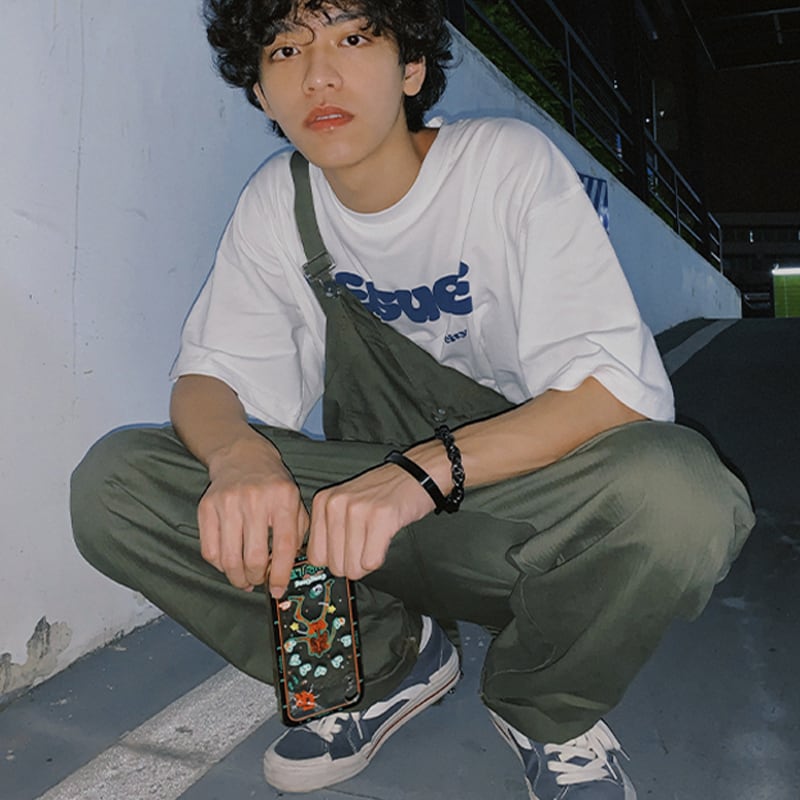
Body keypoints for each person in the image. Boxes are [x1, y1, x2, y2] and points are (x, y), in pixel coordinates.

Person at [70, 1, 755, 797]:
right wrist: (238, 457)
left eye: (353, 38)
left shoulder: (501, 166)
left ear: (412, 68)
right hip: (364, 529)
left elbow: (616, 392)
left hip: (521, 525)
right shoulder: (279, 202)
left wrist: (420, 475)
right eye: (286, 51)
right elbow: (207, 378)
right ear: (260, 91)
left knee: (681, 495)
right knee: (116, 484)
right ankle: (385, 666)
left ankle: (544, 709)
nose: (319, 75)